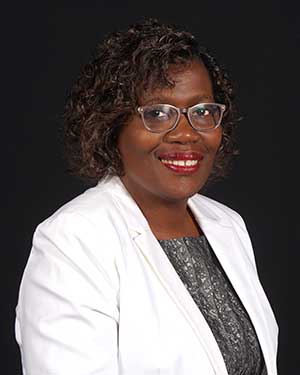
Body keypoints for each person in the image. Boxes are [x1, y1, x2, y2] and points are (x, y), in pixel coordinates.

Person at [15, 19, 278, 375]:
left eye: (202, 112)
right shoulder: (72, 242)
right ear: (112, 125)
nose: (186, 134)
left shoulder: (227, 225)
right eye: (157, 114)